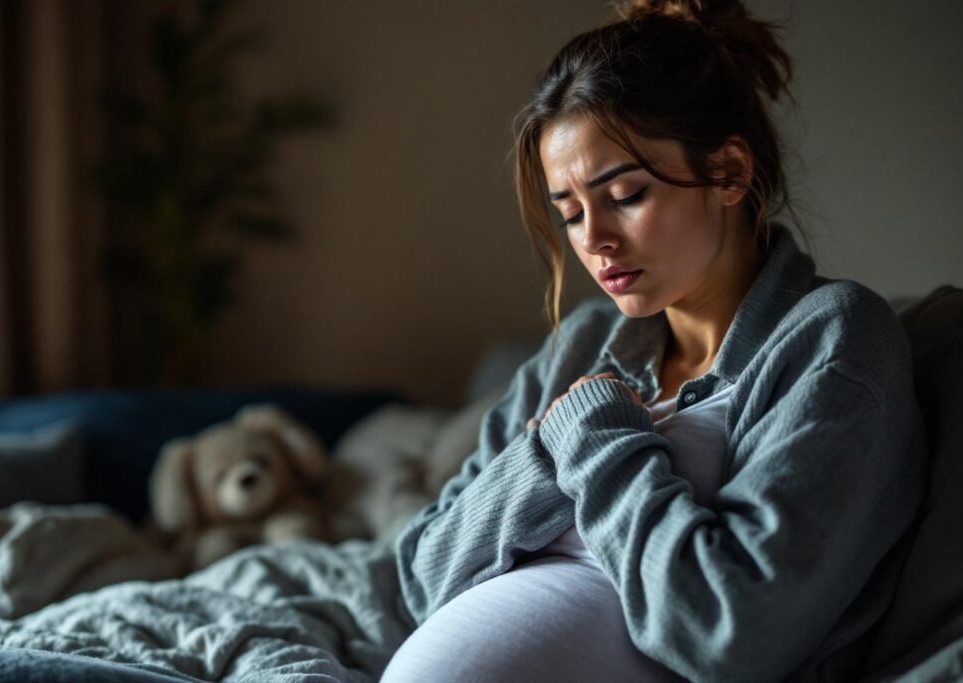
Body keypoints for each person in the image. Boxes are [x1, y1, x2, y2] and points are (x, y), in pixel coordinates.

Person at [381, 1, 929, 681]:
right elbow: (422, 574)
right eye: (571, 212)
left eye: (627, 194)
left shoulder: (834, 338)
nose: (594, 241)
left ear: (729, 171)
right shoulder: (584, 344)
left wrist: (592, 436)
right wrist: (546, 457)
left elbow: (729, 634)